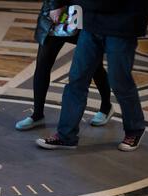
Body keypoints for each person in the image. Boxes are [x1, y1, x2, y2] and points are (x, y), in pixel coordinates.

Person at [36, 0, 148, 151]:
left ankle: (134, 129)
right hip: (91, 23)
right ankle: (66, 136)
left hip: (122, 25)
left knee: (120, 81)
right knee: (76, 79)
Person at [16, 0, 112, 131]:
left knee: (94, 66)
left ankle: (106, 107)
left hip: (84, 14)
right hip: (55, 17)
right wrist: (55, 5)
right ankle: (37, 114)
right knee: (42, 65)